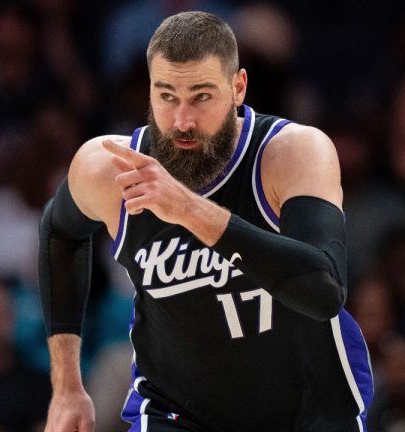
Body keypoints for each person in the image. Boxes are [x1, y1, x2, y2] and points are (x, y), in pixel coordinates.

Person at [38, 11, 373, 432]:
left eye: (200, 96)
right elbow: (60, 233)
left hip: (305, 407)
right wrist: (67, 384)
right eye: (167, 96)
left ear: (238, 88)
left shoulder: (291, 152)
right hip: (178, 411)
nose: (182, 122)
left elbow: (325, 291)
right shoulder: (109, 167)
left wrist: (190, 210)